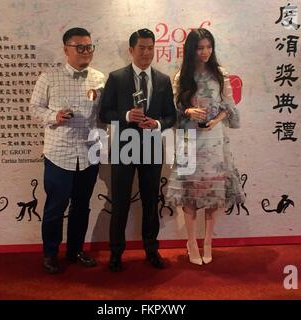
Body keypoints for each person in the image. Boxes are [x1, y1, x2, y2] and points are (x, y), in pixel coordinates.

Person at [166, 28, 245, 265]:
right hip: (190, 138)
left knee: (214, 192)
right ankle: (191, 241)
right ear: (191, 49)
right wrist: (189, 111)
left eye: (209, 47)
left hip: (214, 139)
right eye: (200, 47)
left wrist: (214, 121)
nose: (205, 52)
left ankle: (209, 241)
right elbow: (175, 111)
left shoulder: (220, 74)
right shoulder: (182, 76)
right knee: (189, 192)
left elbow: (228, 106)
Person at [99, 28, 176, 272]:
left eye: (150, 47)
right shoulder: (116, 78)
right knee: (120, 201)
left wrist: (158, 123)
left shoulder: (163, 80)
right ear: (131, 50)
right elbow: (104, 114)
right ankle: (115, 253)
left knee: (151, 201)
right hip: (124, 146)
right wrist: (125, 115)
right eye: (141, 47)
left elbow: (171, 116)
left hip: (152, 147)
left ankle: (151, 250)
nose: (146, 52)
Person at [30, 27, 105, 274]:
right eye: (80, 47)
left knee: (82, 206)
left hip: (89, 153)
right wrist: (55, 116)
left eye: (89, 47)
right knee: (55, 206)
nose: (86, 52)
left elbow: (104, 115)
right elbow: (34, 110)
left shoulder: (99, 79)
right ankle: (50, 254)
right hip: (58, 153)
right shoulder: (49, 77)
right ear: (66, 49)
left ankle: (75, 251)